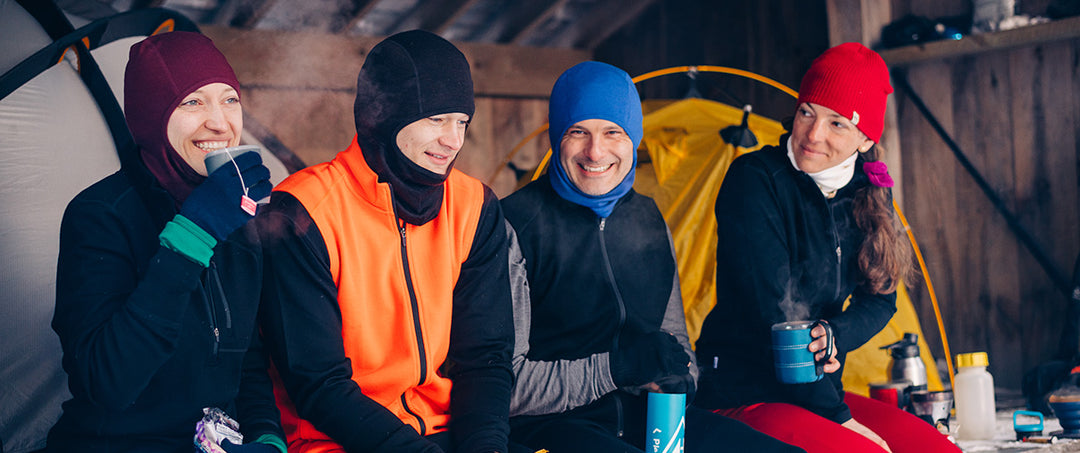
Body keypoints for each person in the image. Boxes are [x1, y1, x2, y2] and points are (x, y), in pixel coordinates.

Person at [502, 61, 803, 453]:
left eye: (613, 132)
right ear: (558, 135)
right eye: (578, 132)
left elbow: (675, 339)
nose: (596, 151)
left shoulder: (646, 216)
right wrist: (616, 368)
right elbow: (505, 387)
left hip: (652, 417)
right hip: (555, 427)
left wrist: (684, 378)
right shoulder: (516, 223)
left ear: (634, 138)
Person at [257, 30, 521, 453]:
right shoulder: (305, 211)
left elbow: (486, 356)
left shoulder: (473, 205)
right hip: (337, 442)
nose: (453, 140)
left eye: (461, 121)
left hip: (447, 434)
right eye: (436, 119)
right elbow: (318, 384)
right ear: (385, 114)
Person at [693, 43, 960, 453]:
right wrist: (840, 418)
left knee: (936, 449)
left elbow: (880, 301)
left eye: (837, 123)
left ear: (865, 136)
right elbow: (775, 317)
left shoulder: (869, 191)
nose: (813, 135)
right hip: (743, 391)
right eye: (806, 112)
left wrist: (834, 334)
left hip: (818, 394)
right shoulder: (755, 181)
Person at [46, 31, 283, 452]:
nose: (220, 122)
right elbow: (108, 383)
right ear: (152, 113)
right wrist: (194, 235)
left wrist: (266, 438)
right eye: (192, 102)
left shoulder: (238, 214)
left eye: (230, 99)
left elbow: (244, 360)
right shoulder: (100, 215)